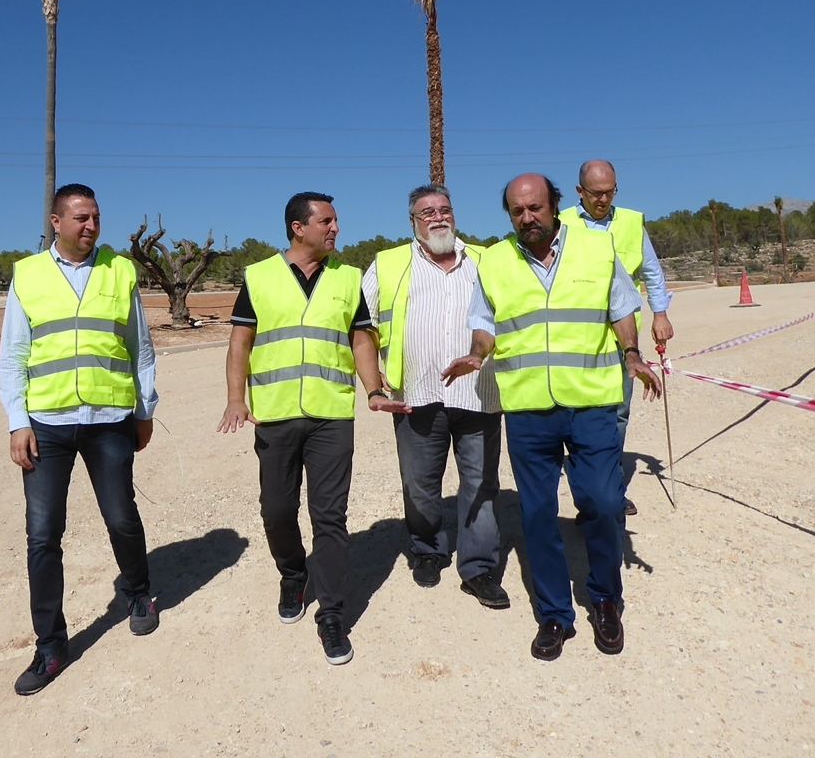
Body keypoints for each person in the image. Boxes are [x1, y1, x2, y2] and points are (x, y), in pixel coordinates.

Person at [443, 173, 662, 661]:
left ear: (556, 206)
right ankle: (554, 615)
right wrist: (478, 355)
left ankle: (605, 599)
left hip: (591, 402)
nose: (528, 218)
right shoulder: (495, 261)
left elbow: (623, 306)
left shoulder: (595, 249)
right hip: (528, 410)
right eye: (518, 212)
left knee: (604, 503)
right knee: (538, 514)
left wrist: (632, 353)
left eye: (536, 208)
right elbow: (485, 322)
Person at [218, 191, 406, 666]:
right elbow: (241, 343)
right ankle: (291, 574)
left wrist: (373, 389)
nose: (336, 228)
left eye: (336, 220)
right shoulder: (258, 276)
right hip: (276, 415)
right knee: (277, 510)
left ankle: (333, 615)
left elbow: (361, 339)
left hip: (330, 415)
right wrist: (236, 400)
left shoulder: (347, 279)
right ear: (298, 228)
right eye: (327, 221)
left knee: (330, 517)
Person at [0, 183, 160, 696]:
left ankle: (139, 593)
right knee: (43, 535)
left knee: (120, 515)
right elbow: (12, 357)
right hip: (46, 422)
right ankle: (50, 645)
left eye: (95, 217)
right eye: (80, 218)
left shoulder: (121, 270)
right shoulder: (27, 275)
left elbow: (141, 348)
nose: (90, 226)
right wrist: (16, 421)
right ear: (55, 221)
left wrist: (143, 409)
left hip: (110, 418)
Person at [362, 184, 508, 608]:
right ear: (412, 221)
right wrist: (373, 386)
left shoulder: (485, 261)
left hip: (480, 394)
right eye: (427, 212)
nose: (438, 217)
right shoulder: (389, 265)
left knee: (480, 483)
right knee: (420, 484)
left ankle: (478, 567)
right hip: (416, 395)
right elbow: (361, 328)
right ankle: (428, 549)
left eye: (444, 209)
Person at [558, 159, 674, 519]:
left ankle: (610, 492)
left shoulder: (631, 223)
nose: (604, 199)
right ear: (580, 192)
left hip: (625, 342)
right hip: (577, 339)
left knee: (618, 415)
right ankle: (588, 491)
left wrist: (661, 313)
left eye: (610, 192)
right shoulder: (560, 223)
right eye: (596, 193)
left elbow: (652, 272)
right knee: (577, 418)